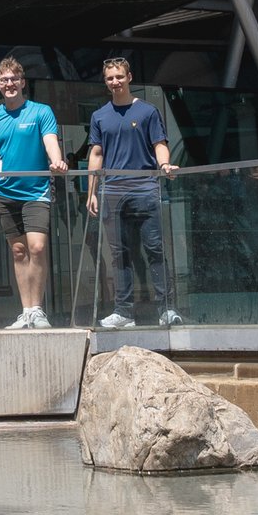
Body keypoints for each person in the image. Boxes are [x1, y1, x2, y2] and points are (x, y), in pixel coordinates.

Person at [85, 56, 180, 330]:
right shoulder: (99, 116)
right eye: (109, 78)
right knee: (120, 254)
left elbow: (159, 143)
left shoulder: (148, 112)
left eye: (119, 77)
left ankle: (167, 309)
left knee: (154, 249)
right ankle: (123, 312)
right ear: (106, 83)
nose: (115, 82)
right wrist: (91, 192)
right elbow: (97, 153)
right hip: (112, 190)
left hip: (145, 188)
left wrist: (164, 165)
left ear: (129, 78)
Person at [0, 56, 68, 330]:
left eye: (14, 79)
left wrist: (57, 161)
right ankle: (26, 310)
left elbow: (50, 141)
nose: (9, 84)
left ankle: (37, 309)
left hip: (36, 191)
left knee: (37, 247)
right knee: (19, 251)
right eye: (4, 80)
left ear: (22, 82)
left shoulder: (40, 112)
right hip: (5, 194)